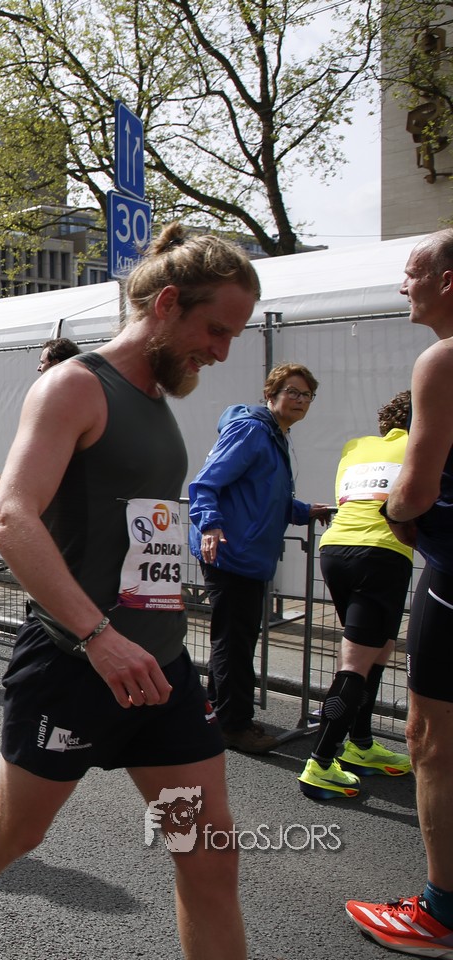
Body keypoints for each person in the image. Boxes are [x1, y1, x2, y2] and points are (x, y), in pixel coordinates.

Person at [0, 224, 260, 960]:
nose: (221, 352)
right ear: (166, 304)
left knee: (209, 855)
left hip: (159, 671)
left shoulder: (154, 397)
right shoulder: (75, 386)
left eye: (233, 336)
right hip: (76, 664)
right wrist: (100, 637)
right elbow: (11, 518)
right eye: (216, 330)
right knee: (17, 830)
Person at [345, 228, 453, 956]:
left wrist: (397, 509)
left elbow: (413, 490)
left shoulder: (441, 359)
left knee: (431, 741)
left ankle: (440, 912)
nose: (402, 285)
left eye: (413, 272)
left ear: (448, 281)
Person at [187, 362, 334, 753]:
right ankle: (233, 725)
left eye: (306, 395)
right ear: (271, 394)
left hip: (246, 552)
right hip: (230, 550)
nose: (300, 400)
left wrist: (303, 511)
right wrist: (210, 525)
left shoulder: (273, 435)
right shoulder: (253, 430)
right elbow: (205, 483)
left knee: (234, 638)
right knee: (235, 641)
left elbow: (264, 495)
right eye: (292, 392)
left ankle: (220, 714)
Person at [298, 391, 414, 800]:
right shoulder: (420, 444)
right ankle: (320, 763)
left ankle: (360, 744)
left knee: (378, 649)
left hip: (336, 549)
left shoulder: (356, 446)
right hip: (381, 555)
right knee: (356, 664)